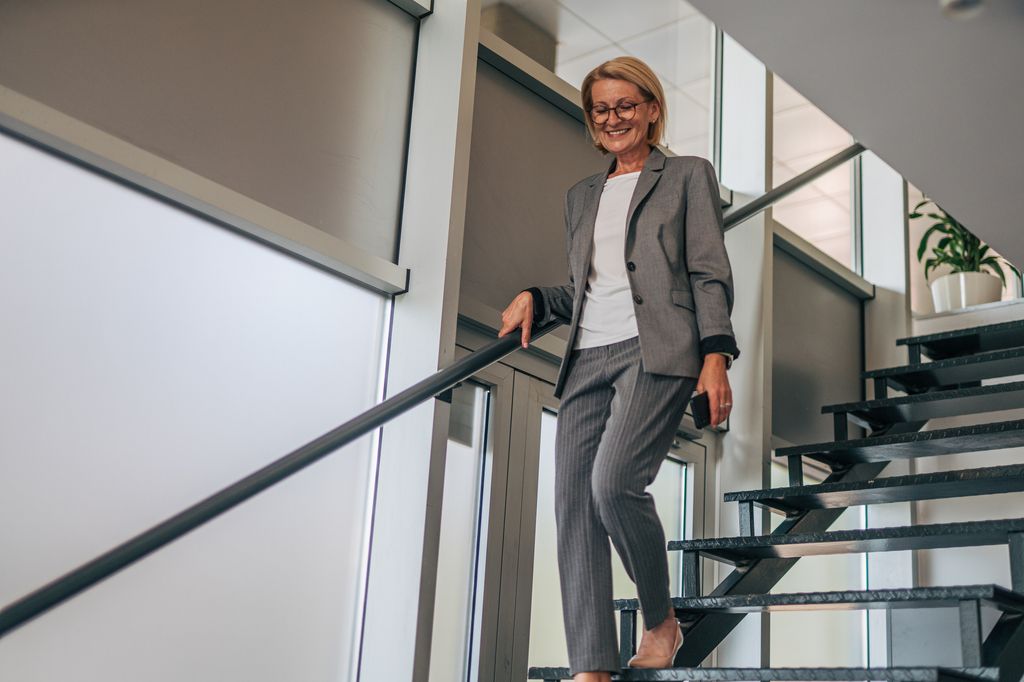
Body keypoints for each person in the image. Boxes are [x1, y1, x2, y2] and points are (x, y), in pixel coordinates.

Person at [498, 56, 740, 680]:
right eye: (600, 110)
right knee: (574, 505)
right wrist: (536, 296)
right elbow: (588, 287)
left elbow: (708, 271)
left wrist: (715, 358)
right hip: (584, 358)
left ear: (652, 109)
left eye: (625, 106)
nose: (612, 119)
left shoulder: (687, 175)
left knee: (613, 485)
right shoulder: (581, 196)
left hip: (655, 352)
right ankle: (592, 665)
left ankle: (660, 621)